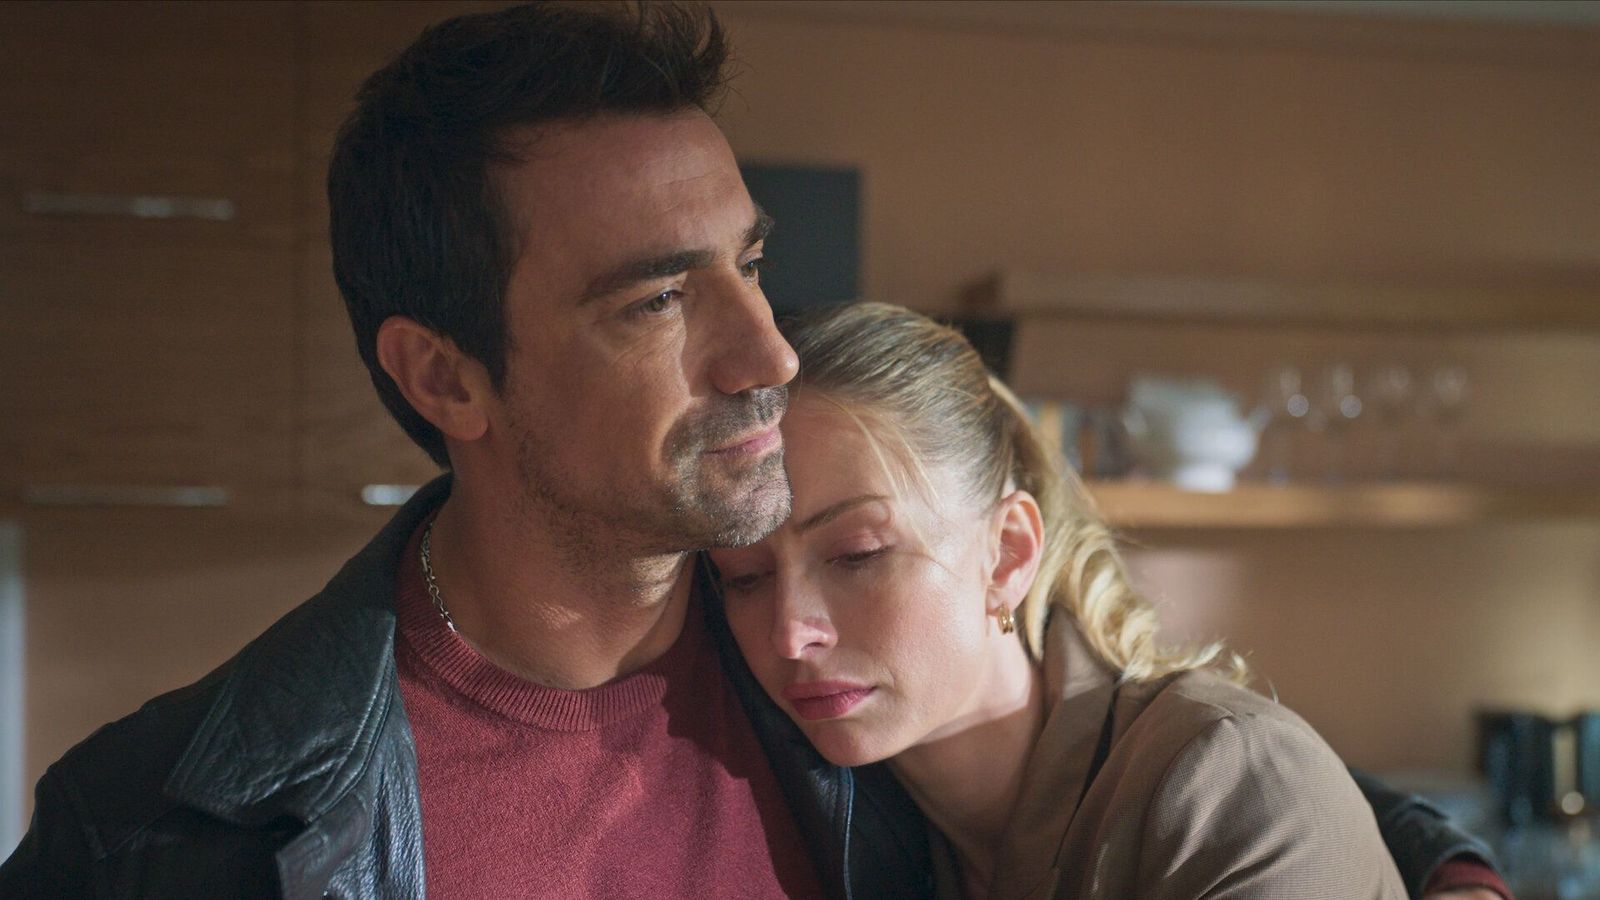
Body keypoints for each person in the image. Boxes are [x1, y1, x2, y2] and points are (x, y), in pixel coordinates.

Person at [0, 4, 1501, 898]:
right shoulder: (155, 826)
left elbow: (1185, 772)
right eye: (659, 299)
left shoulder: (838, 690)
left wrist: (1450, 867)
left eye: (750, 264)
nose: (767, 352)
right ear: (444, 376)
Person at [708, 303, 1509, 900]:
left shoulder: (1223, 782)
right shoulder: (836, 807)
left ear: (1007, 554)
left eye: (857, 554)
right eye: (745, 577)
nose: (789, 632)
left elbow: (1264, 773)